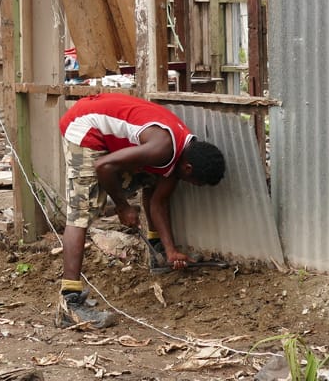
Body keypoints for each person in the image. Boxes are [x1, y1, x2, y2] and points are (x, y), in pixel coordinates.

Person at [55, 92, 226, 328]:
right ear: (187, 169)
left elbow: (159, 202)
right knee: (80, 213)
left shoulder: (182, 152)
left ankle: (157, 255)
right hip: (84, 126)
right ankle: (69, 304)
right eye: (194, 183)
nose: (189, 186)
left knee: (153, 179)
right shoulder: (163, 148)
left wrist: (170, 250)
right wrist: (123, 207)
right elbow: (103, 166)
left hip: (104, 130)